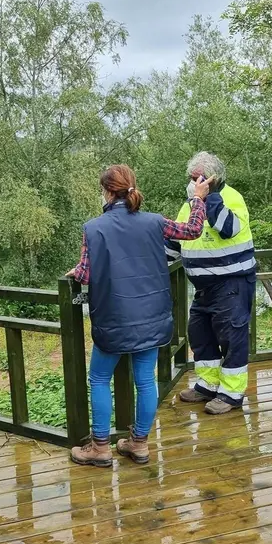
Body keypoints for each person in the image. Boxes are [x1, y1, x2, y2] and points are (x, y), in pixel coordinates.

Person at [67, 164, 210, 467]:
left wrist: (75, 271)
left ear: (106, 191)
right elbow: (192, 230)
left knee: (99, 379)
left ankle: (100, 447)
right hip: (152, 316)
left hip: (113, 318)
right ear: (131, 188)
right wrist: (197, 198)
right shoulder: (154, 222)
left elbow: (85, 273)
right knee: (145, 381)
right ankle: (139, 444)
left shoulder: (93, 227)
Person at [166, 151, 256, 415]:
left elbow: (226, 227)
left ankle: (230, 394)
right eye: (191, 178)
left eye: (198, 178)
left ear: (212, 179)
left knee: (232, 338)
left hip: (232, 283)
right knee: (201, 336)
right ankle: (207, 385)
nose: (193, 183)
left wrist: (208, 197)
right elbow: (176, 239)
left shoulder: (231, 198)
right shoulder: (190, 203)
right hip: (204, 287)